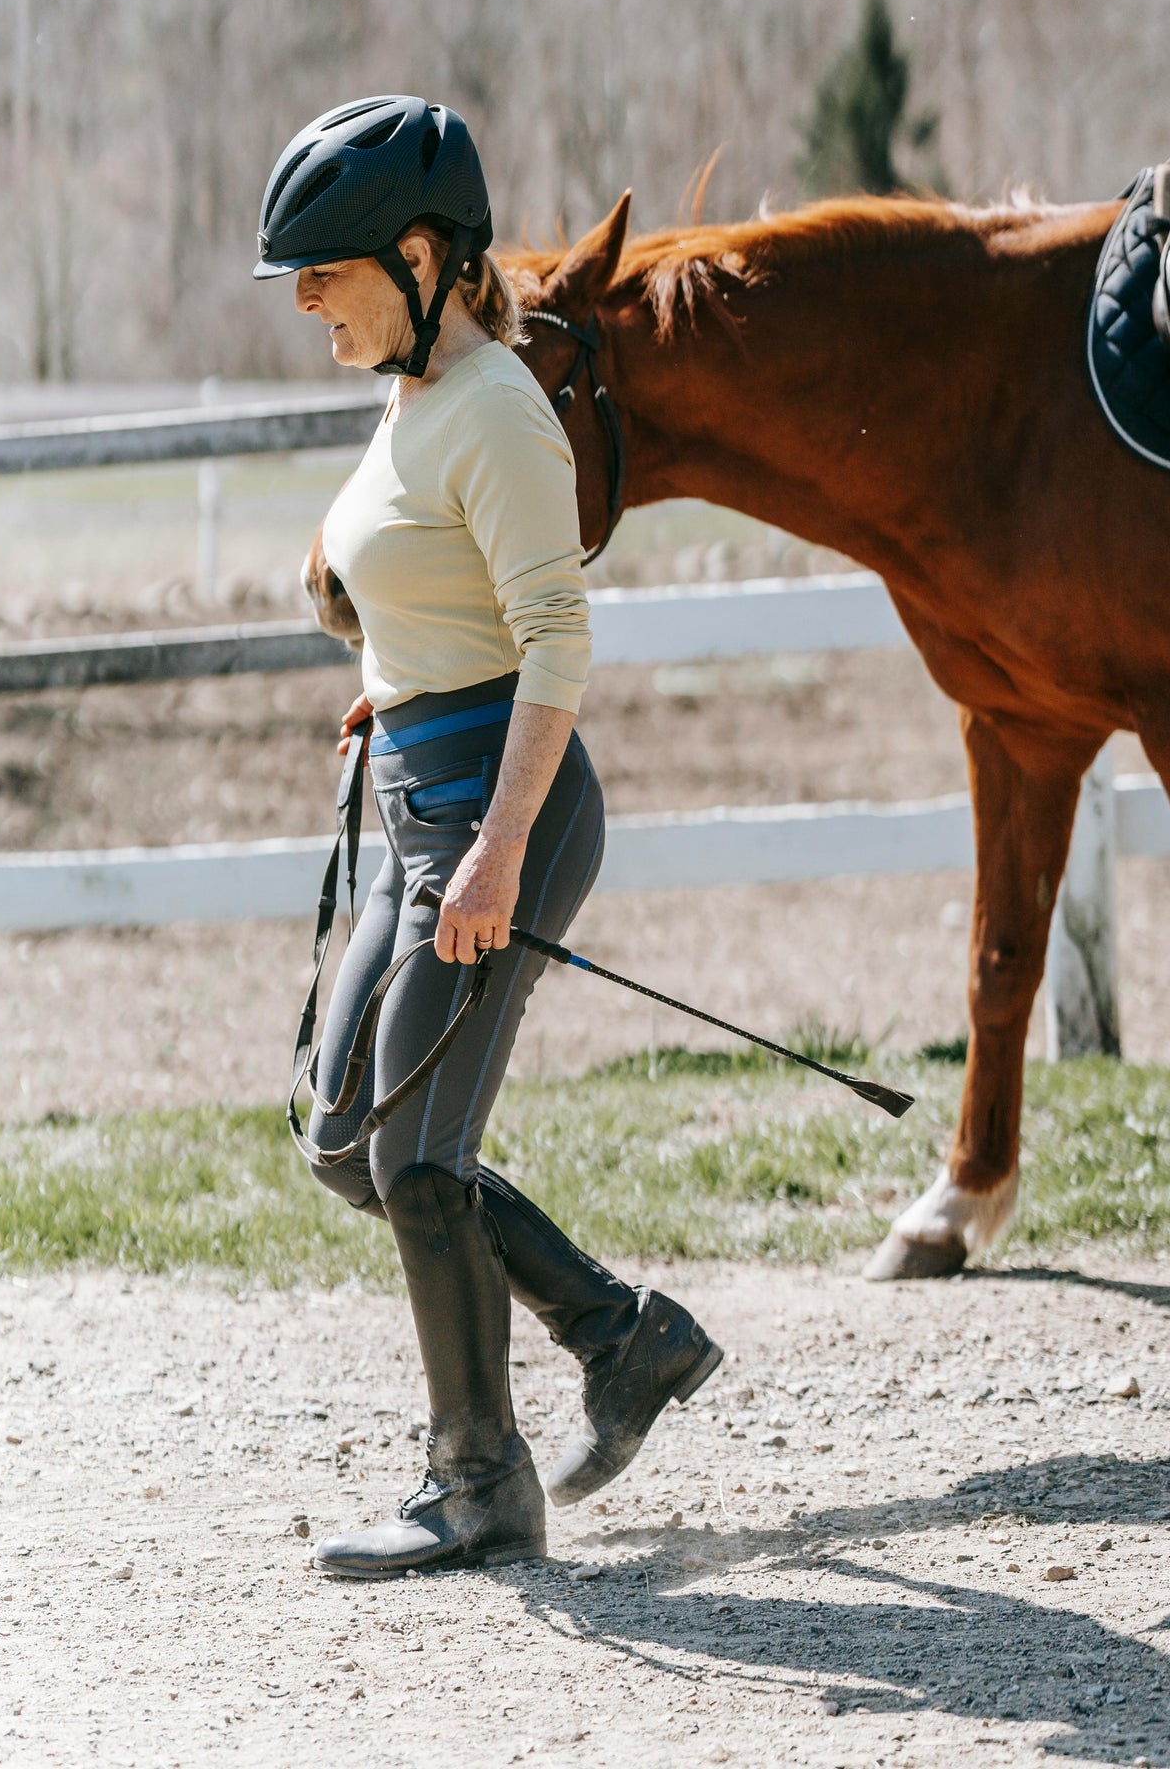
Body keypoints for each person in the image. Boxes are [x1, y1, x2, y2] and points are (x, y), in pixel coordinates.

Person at [253, 96, 722, 1579]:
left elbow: (552, 638)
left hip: (492, 822)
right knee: (347, 1140)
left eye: (323, 274)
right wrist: (384, 699)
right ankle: (616, 1334)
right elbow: (430, 598)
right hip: (415, 800)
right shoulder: (413, 394)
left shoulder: (502, 408)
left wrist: (500, 849)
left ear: (415, 253)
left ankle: (477, 1485)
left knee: (419, 1166)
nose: (309, 304)